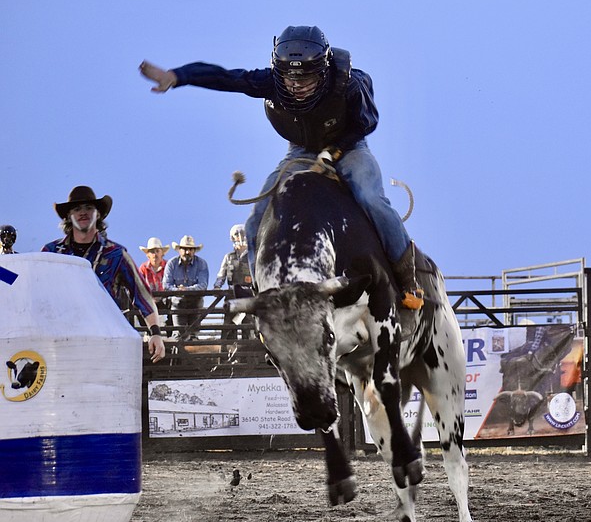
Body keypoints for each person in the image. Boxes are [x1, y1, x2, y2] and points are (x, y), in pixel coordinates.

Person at [139, 25, 424, 310]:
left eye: (306, 78)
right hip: (300, 150)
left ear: (323, 71)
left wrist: (334, 151)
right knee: (255, 219)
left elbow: (368, 122)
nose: (296, 84)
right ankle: (260, 288)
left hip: (349, 147)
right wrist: (177, 76)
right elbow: (225, 77)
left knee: (370, 198)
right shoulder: (270, 82)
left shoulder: (349, 84)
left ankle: (409, 278)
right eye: (289, 76)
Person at [42, 186, 165, 362]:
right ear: (69, 216)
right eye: (77, 209)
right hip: (62, 340)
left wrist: (156, 333)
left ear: (98, 214)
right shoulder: (51, 252)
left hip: (105, 340)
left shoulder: (116, 254)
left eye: (89, 208)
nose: (83, 213)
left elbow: (142, 294)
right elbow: (28, 283)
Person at [164, 235, 209, 338]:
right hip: (178, 303)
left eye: (190, 249)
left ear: (194, 251)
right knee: (179, 334)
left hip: (195, 303)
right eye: (184, 249)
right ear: (179, 250)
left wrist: (185, 290)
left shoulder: (201, 263)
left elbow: (203, 285)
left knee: (194, 335)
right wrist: (179, 291)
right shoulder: (172, 263)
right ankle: (178, 352)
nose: (187, 252)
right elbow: (166, 285)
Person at [214, 224, 253, 340]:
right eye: (237, 234)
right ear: (233, 238)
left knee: (248, 327)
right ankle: (227, 356)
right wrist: (217, 287)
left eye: (242, 233)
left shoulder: (252, 256)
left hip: (248, 295)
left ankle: (248, 357)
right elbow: (221, 275)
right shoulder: (229, 257)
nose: (240, 236)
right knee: (229, 327)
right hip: (232, 295)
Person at [138, 237, 171, 326]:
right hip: (149, 299)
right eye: (152, 252)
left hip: (165, 299)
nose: (155, 254)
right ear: (148, 255)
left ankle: (170, 331)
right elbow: (139, 285)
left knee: (174, 302)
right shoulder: (143, 268)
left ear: (162, 253)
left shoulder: (169, 266)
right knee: (138, 304)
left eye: (157, 251)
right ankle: (147, 330)